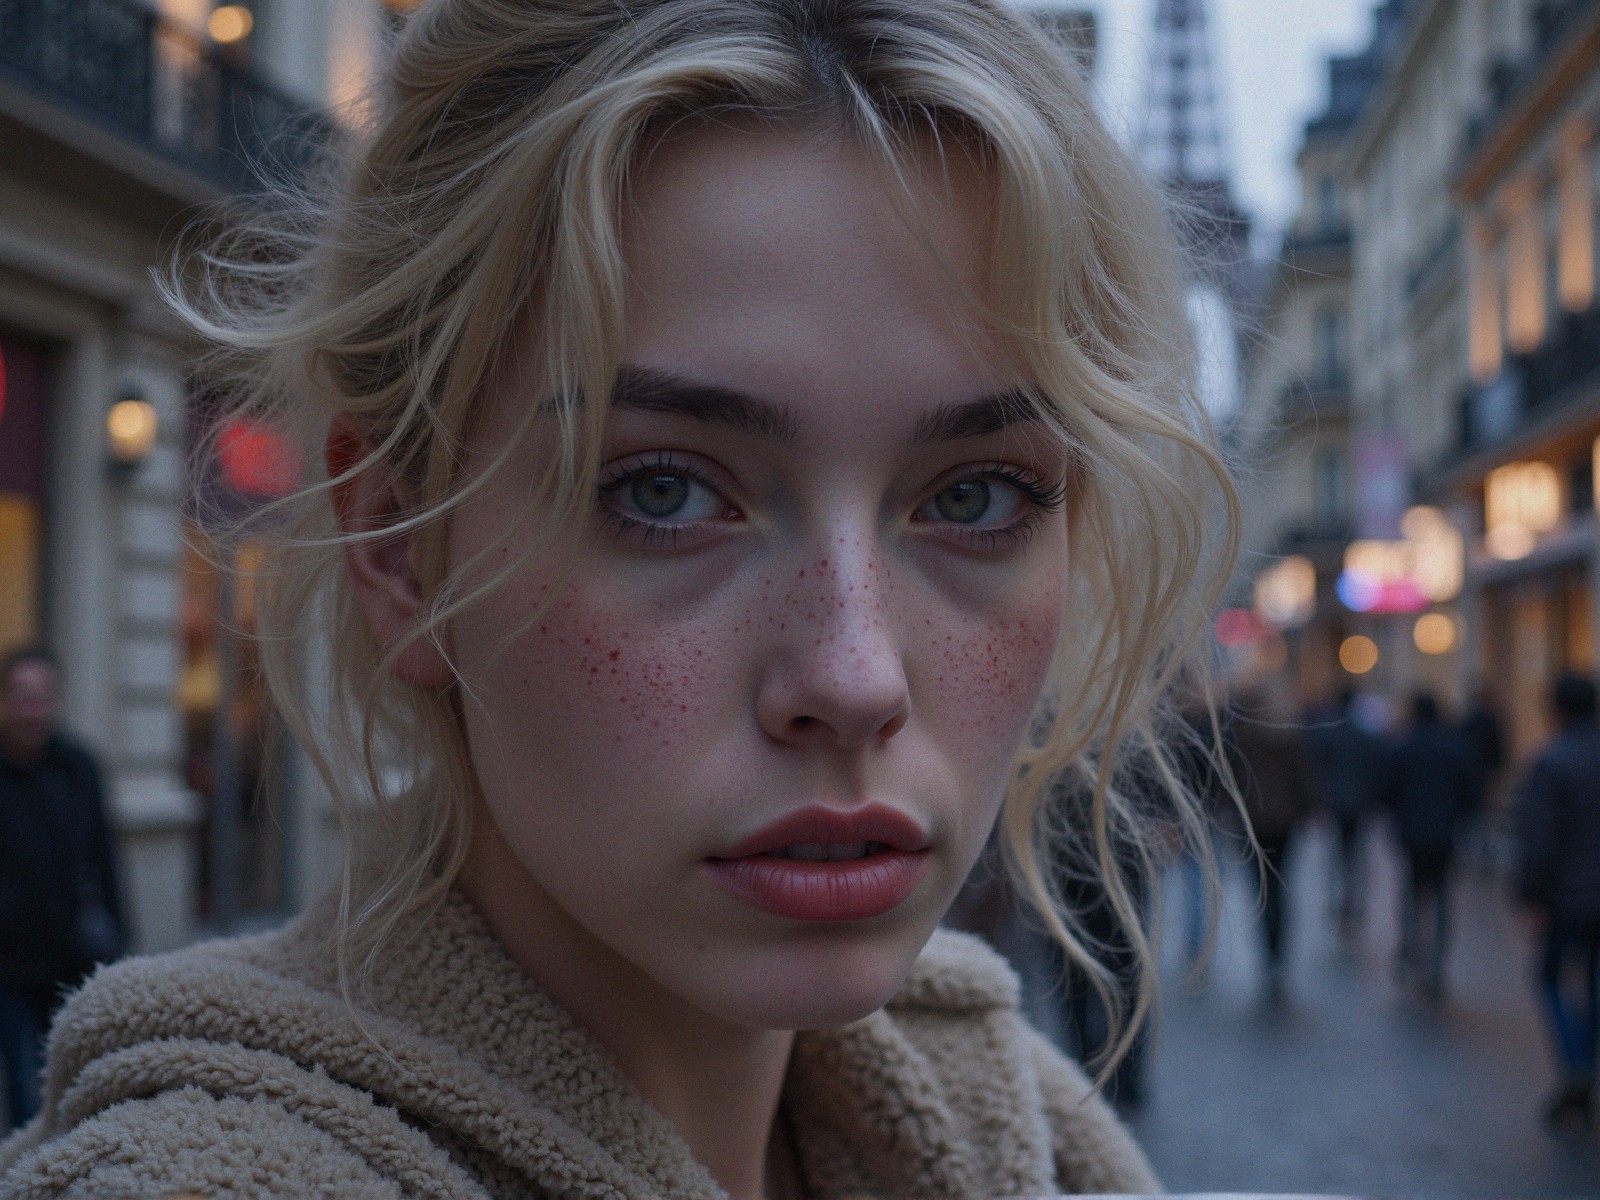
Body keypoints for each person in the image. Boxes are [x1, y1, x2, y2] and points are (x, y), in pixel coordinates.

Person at [0, 2, 1237, 1195]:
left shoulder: (1025, 1139)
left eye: (974, 499)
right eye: (664, 490)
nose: (855, 678)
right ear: (395, 550)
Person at [0, 647, 125, 1133]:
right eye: (23, 697)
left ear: (57, 701)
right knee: (23, 1088)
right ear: (7, 701)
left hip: (69, 959)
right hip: (7, 968)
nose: (33, 710)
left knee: (73, 1079)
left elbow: (103, 859)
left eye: (43, 698)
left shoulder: (79, 768)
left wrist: (118, 938)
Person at [1516, 674, 1600, 1131]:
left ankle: (1576, 1065)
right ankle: (1584, 1062)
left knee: (1550, 978)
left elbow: (1540, 840)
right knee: (1591, 980)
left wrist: (1533, 896)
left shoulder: (1551, 762)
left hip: (1568, 897)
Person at [1384, 690, 1476, 1000]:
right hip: (1444, 834)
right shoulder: (1453, 748)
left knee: (1412, 891)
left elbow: (1387, 790)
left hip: (1411, 832)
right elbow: (1470, 793)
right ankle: (1435, 963)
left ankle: (1411, 952)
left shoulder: (1403, 748)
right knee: (1440, 896)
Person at [1226, 687, 1315, 1001]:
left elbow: (1234, 778)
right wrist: (1309, 810)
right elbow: (1302, 777)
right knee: (1281, 885)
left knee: (1262, 888)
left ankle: (1269, 951)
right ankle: (1278, 953)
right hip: (1285, 822)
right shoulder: (1288, 735)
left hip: (1254, 821)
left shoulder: (1245, 735)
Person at [1305, 687, 1382, 932]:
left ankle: (1339, 899)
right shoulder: (1363, 736)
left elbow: (1318, 770)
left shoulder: (1328, 735)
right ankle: (1351, 900)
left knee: (1336, 854)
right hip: (1359, 803)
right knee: (1355, 853)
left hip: (1336, 802)